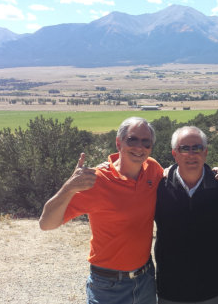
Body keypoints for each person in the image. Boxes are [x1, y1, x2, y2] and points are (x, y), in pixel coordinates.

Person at [39, 117, 163, 304]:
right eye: (132, 140)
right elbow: (46, 224)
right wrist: (68, 188)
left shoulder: (152, 169)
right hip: (109, 286)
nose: (140, 147)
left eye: (146, 142)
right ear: (118, 142)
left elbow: (175, 176)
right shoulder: (95, 181)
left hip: (145, 279)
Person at [154, 126, 218, 304]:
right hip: (169, 293)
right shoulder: (160, 188)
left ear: (205, 152)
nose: (191, 154)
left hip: (215, 292)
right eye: (184, 148)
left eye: (196, 148)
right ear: (175, 153)